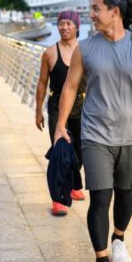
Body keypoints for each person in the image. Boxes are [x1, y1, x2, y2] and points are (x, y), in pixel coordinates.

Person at [53, 0, 132, 262]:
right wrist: (61, 125)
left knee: (125, 193)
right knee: (100, 198)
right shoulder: (85, 48)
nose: (91, 14)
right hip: (95, 135)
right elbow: (71, 88)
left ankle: (119, 240)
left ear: (115, 11)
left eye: (96, 8)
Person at [35, 11, 86, 216]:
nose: (64, 27)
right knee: (60, 149)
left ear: (76, 27)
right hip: (57, 105)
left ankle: (75, 185)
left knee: (81, 150)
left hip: (82, 105)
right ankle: (58, 199)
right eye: (60, 24)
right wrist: (38, 111)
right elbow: (42, 83)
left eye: (68, 23)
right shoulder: (50, 53)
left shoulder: (85, 50)